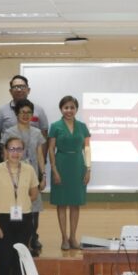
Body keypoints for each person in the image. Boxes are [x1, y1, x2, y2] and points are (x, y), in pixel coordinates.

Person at [0, 136, 40, 275]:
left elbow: (34, 193)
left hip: (24, 219)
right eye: (11, 149)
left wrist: (21, 202)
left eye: (19, 149)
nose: (15, 153)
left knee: (19, 259)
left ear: (23, 152)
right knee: (4, 259)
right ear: (5, 151)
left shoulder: (29, 169)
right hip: (2, 219)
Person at [2, 100, 47, 255]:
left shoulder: (37, 132)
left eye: (29, 112)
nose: (26, 115)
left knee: (34, 211)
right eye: (22, 112)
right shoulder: (9, 132)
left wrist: (43, 176)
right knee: (17, 209)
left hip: (32, 176)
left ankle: (32, 239)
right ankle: (18, 242)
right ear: (16, 114)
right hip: (14, 176)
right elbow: (5, 156)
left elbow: (40, 155)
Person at [48, 95, 92, 251]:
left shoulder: (82, 126)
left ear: (76, 109)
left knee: (75, 204)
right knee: (61, 204)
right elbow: (51, 149)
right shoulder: (55, 126)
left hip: (78, 166)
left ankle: (73, 237)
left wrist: (88, 169)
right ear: (61, 109)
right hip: (61, 165)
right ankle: (64, 238)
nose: (69, 110)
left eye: (72, 107)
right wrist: (54, 169)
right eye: (66, 107)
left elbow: (87, 149)